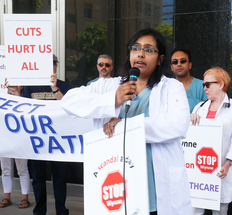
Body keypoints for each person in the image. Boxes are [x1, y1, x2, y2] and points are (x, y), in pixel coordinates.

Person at [61, 28, 192, 215]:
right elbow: (69, 102)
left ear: (160, 58)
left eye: (148, 49)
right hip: (116, 182)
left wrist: (124, 126)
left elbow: (177, 124)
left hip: (154, 186)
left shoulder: (171, 87)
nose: (140, 53)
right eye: (135, 48)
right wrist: (112, 100)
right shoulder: (110, 85)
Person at [6, 54, 72, 215]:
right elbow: (22, 109)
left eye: (54, 64)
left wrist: (55, 89)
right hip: (37, 142)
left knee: (59, 179)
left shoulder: (66, 86)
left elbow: (71, 108)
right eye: (48, 64)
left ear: (57, 66)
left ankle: (61, 211)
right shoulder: (30, 87)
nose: (52, 67)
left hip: (59, 141)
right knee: (38, 178)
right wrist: (15, 93)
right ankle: (39, 211)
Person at [190, 67, 232, 215]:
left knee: (220, 211)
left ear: (221, 85)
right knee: (195, 209)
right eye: (204, 85)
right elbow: (190, 139)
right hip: (200, 169)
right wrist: (191, 120)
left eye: (208, 84)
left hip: (222, 169)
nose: (205, 88)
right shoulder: (199, 107)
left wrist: (228, 163)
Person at [0, 87, 30, 208]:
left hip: (19, 138)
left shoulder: (25, 96)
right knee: (5, 170)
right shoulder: (3, 95)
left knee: (22, 169)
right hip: (4, 137)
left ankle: (25, 197)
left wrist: (16, 94)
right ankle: (7, 197)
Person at [170, 46, 207, 112]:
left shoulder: (203, 86)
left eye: (183, 61)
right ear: (171, 68)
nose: (179, 64)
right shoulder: (166, 88)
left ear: (190, 65)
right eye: (175, 62)